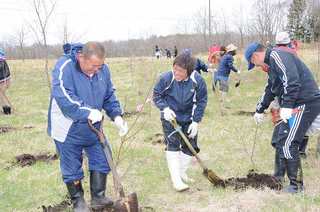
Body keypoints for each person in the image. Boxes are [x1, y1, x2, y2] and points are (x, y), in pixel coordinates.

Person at [47, 42, 129, 211]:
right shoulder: (65, 67)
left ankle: (98, 197)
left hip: (93, 127)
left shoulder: (102, 70)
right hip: (67, 127)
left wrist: (117, 116)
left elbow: (108, 95)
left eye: (100, 65)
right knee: (71, 166)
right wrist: (88, 112)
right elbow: (64, 98)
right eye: (93, 66)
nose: (97, 70)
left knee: (102, 158)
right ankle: (78, 201)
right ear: (81, 57)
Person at [245, 42, 320, 193]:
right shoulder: (272, 66)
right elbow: (271, 89)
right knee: (280, 140)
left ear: (255, 56)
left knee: (289, 143)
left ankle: (296, 186)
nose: (258, 66)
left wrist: (286, 107)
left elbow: (292, 81)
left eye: (254, 63)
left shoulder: (277, 55)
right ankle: (277, 179)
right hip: (294, 104)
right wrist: (259, 109)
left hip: (305, 102)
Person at [153, 51, 208, 192]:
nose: (176, 73)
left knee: (191, 147)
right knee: (173, 145)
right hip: (170, 118)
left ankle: (182, 172)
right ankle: (176, 180)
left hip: (189, 119)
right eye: (175, 68)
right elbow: (157, 95)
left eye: (181, 71)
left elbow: (201, 102)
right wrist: (164, 108)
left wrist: (196, 121)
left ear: (189, 72)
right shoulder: (166, 78)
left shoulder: (198, 81)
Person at [213, 44, 240, 109]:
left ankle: (221, 104)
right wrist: (237, 71)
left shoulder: (225, 56)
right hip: (223, 76)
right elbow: (230, 66)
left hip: (219, 75)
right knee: (224, 90)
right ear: (231, 51)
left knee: (222, 90)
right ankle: (223, 106)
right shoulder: (229, 57)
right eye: (234, 50)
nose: (235, 51)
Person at [0, 48, 11, 115]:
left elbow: (1, 69)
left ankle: (6, 109)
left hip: (3, 79)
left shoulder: (1, 60)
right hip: (5, 78)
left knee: (1, 94)